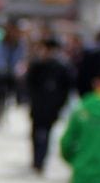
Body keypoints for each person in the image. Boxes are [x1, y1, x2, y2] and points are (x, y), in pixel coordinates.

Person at [23, 35, 73, 174]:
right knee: (36, 133)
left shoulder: (62, 66)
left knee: (46, 133)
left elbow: (67, 87)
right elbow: (29, 83)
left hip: (51, 106)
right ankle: (36, 160)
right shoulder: (38, 65)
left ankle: (41, 160)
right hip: (39, 105)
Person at [0, 20, 27, 129]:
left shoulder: (20, 44)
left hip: (12, 74)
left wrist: (19, 69)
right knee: (0, 97)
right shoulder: (1, 42)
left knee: (9, 97)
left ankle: (4, 116)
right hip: (0, 73)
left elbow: (21, 58)